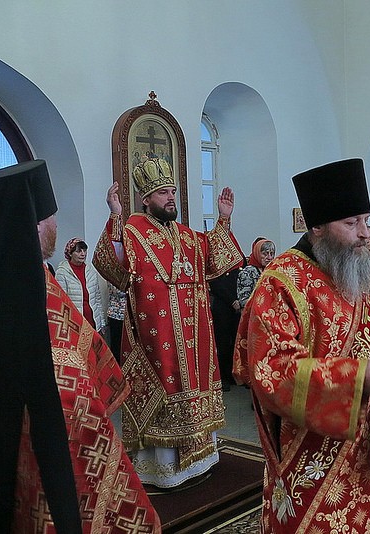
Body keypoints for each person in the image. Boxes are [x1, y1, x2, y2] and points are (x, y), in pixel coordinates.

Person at [0, 160, 159, 532]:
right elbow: (65, 385)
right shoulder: (27, 288)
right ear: (33, 225)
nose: (55, 224)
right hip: (44, 444)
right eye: (50, 216)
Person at [233, 159, 370, 532]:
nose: (366, 234)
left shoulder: (354, 269)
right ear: (317, 226)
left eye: (366, 221)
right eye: (351, 223)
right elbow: (272, 370)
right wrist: (355, 379)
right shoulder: (281, 282)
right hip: (314, 454)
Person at [92, 157, 245, 488]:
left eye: (173, 191)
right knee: (164, 387)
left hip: (193, 334)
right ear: (146, 199)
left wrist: (223, 218)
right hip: (155, 337)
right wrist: (115, 215)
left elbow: (215, 260)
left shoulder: (187, 236)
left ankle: (201, 460)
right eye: (163, 193)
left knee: (194, 384)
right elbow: (112, 264)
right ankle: (162, 470)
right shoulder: (132, 231)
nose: (171, 197)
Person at [55, 237, 106, 333]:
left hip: (93, 322)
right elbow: (61, 302)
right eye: (78, 251)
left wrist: (102, 322)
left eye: (84, 250)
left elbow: (97, 299)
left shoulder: (90, 270)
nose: (83, 254)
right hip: (75, 323)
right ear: (70, 253)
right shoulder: (62, 272)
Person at [209, 260, 243, 392]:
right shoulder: (217, 259)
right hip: (222, 307)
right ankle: (223, 377)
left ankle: (233, 374)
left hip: (239, 307)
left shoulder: (239, 259)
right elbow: (215, 282)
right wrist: (232, 300)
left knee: (236, 341)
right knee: (222, 343)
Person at [237, 238, 276, 308]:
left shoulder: (273, 271)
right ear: (257, 254)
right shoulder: (248, 272)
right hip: (254, 311)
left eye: (272, 254)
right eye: (265, 254)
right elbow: (244, 300)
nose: (269, 257)